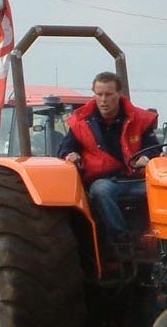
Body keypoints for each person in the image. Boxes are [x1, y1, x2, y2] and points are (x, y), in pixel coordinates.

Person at [57, 71, 160, 246]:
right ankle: (122, 241)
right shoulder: (81, 122)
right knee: (101, 190)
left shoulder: (139, 119)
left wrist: (146, 157)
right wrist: (70, 154)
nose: (103, 100)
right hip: (106, 180)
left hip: (136, 179)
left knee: (161, 190)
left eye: (108, 94)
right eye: (99, 94)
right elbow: (66, 148)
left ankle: (159, 238)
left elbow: (154, 148)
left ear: (119, 94)